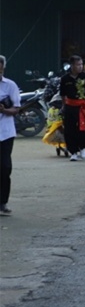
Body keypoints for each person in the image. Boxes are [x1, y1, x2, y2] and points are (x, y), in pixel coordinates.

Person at [59, 55, 85, 161]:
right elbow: (63, 94)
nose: (80, 66)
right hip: (70, 106)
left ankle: (83, 148)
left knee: (83, 128)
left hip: (83, 107)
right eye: (78, 65)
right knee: (69, 130)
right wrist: (63, 106)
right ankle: (73, 152)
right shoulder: (65, 79)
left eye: (81, 64)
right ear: (72, 66)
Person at [0, 55, 20, 215]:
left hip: (5, 132)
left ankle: (3, 202)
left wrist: (4, 110)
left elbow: (16, 109)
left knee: (5, 167)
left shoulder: (10, 85)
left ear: (3, 68)